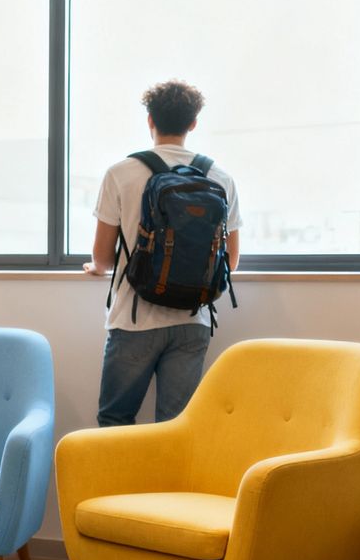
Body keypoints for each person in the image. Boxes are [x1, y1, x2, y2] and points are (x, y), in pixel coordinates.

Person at [83, 79, 243, 428]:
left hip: (134, 319)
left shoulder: (120, 173)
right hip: (193, 320)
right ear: (193, 123)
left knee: (115, 420)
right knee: (175, 429)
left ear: (150, 120)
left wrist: (95, 267)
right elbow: (230, 261)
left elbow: (104, 259)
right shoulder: (220, 177)